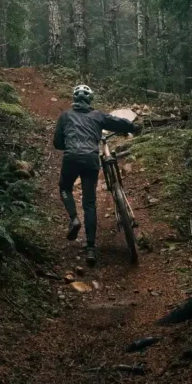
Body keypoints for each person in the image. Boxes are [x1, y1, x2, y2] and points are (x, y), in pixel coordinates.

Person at [53, 84, 140, 266]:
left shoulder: (65, 116)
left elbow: (57, 143)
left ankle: (74, 219)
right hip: (91, 160)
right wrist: (134, 127)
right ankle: (91, 249)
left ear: (74, 99)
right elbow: (118, 122)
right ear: (90, 100)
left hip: (71, 159)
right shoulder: (98, 116)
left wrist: (70, 144)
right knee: (90, 202)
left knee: (65, 187)